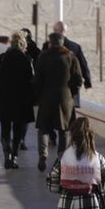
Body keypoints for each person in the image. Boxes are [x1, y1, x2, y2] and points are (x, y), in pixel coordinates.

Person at [34, 32, 82, 171]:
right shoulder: (71, 58)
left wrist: (39, 94)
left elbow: (37, 79)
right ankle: (61, 158)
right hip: (65, 99)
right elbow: (78, 80)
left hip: (46, 97)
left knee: (43, 128)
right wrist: (70, 92)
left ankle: (43, 155)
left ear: (50, 42)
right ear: (62, 42)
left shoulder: (43, 57)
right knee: (64, 130)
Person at [0, 31, 36, 169]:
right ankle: (15, 157)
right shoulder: (27, 60)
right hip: (21, 101)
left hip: (4, 99)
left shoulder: (2, 58)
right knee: (18, 131)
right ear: (24, 45)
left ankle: (7, 155)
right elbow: (32, 79)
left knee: (5, 130)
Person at [45, 21, 92, 107]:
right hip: (71, 92)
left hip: (52, 93)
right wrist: (87, 82)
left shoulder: (47, 47)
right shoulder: (75, 47)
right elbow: (83, 65)